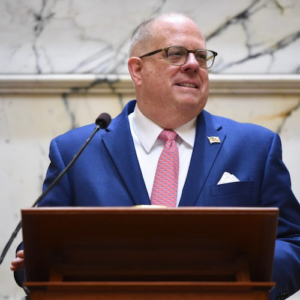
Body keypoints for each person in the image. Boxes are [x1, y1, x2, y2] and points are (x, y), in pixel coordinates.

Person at [11, 13, 300, 300]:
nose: (192, 64)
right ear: (137, 70)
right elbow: (36, 255)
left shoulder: (256, 147)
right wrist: (38, 266)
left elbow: (293, 243)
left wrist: (235, 274)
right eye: (175, 54)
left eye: (200, 56)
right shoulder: (76, 151)